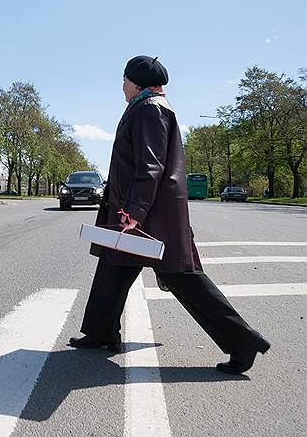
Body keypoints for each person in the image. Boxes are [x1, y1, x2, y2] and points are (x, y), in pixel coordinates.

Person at [69, 55, 270, 374]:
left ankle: (243, 340)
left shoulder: (150, 108)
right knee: (114, 265)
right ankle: (100, 332)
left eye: (123, 80)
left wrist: (135, 210)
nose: (121, 86)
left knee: (182, 278)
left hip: (150, 213)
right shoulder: (148, 106)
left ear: (135, 82)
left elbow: (150, 165)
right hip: (141, 208)